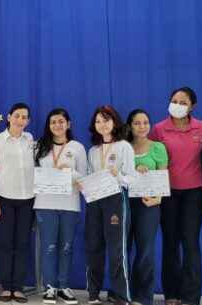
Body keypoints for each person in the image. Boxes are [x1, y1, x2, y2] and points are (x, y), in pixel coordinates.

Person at [149, 87, 202, 305]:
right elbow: (151, 158)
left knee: (191, 243)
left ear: (193, 106)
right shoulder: (158, 128)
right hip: (167, 194)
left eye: (183, 102)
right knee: (170, 242)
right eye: (174, 100)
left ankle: (191, 297)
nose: (178, 104)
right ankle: (172, 294)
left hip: (195, 192)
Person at [0, 102, 36, 303]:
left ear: (28, 121)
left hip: (27, 200)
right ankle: (6, 287)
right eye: (17, 116)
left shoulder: (31, 140)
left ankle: (18, 287)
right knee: (5, 244)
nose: (20, 120)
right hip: (4, 199)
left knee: (22, 244)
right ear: (9, 117)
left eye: (24, 117)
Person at [33, 108, 85, 305]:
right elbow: (32, 174)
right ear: (49, 125)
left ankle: (63, 286)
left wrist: (69, 173)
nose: (57, 125)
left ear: (68, 124)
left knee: (66, 247)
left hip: (70, 204)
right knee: (49, 246)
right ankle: (49, 287)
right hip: (45, 204)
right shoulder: (39, 146)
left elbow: (84, 177)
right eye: (53, 121)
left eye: (61, 121)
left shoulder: (77, 147)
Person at [85, 106, 136, 305]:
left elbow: (132, 179)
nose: (102, 124)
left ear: (115, 122)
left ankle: (121, 294)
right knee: (93, 246)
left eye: (106, 120)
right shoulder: (93, 150)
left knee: (117, 249)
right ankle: (93, 293)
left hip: (116, 199)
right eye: (98, 121)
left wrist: (118, 176)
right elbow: (90, 176)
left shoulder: (124, 146)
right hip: (95, 200)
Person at [126, 109, 168, 305]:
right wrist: (134, 171)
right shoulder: (123, 147)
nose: (142, 126)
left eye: (145, 122)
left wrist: (157, 198)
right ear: (130, 126)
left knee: (145, 250)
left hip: (148, 203)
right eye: (137, 123)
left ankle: (142, 296)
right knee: (122, 249)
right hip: (124, 202)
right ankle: (123, 292)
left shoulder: (158, 147)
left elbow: (162, 175)